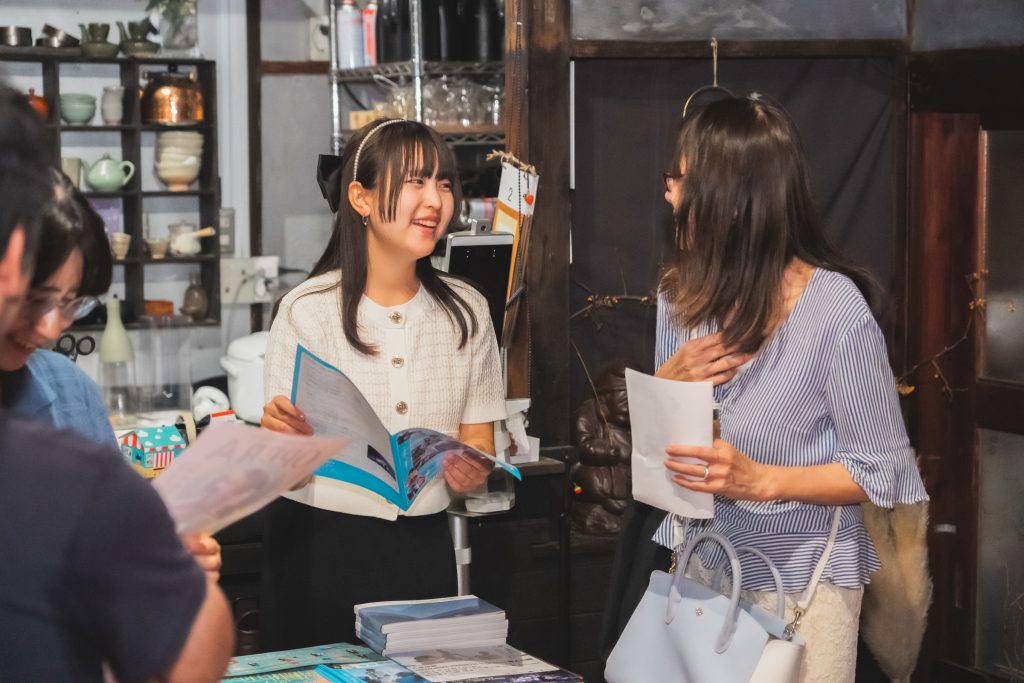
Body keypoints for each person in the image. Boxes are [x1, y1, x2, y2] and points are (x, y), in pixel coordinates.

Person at [607, 95, 928, 682]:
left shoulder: (834, 311)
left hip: (808, 588)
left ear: (730, 197)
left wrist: (760, 480)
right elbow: (662, 474)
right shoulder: (682, 301)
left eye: (679, 179)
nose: (668, 193)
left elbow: (880, 473)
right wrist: (664, 389)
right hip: (702, 575)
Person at [0, 85, 234, 682]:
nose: (52, 327)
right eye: (36, 298)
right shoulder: (56, 469)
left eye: (72, 302)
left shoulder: (67, 390)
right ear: (14, 258)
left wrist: (163, 564)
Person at [260, 118, 506, 649]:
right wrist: (281, 438)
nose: (435, 200)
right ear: (361, 198)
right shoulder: (307, 312)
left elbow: (481, 440)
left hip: (422, 551)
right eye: (415, 181)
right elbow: (282, 465)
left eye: (443, 183)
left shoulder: (468, 311)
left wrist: (472, 468)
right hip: (319, 547)